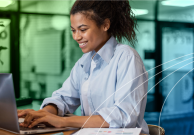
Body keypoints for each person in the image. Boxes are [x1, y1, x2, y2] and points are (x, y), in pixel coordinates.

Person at [18, 0, 149, 134]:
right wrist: (44, 114)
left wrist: (63, 121)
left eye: (82, 30)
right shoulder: (84, 62)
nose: (76, 36)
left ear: (105, 25)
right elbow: (64, 98)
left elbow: (124, 116)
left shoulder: (127, 57)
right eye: (73, 30)